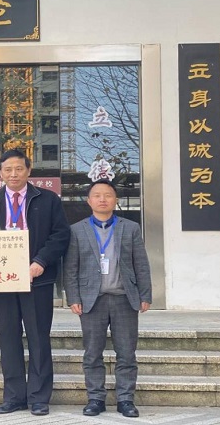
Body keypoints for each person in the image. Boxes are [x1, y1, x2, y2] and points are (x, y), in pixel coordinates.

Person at [0, 149, 70, 416]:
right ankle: (14, 396)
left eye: (19, 168)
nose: (13, 174)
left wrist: (40, 261)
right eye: (8, 169)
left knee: (39, 337)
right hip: (3, 282)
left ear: (29, 170)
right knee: (8, 338)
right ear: (0, 173)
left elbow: (60, 235)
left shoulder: (48, 200)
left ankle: (39, 397)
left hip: (36, 278)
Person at [63, 178, 152, 418]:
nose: (102, 199)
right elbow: (70, 267)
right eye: (97, 195)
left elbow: (141, 263)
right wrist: (73, 297)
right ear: (89, 200)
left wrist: (145, 294)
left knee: (127, 353)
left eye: (108, 195)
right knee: (92, 353)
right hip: (92, 300)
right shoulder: (77, 230)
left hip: (125, 298)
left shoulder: (130, 228)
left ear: (116, 200)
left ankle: (126, 400)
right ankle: (95, 399)